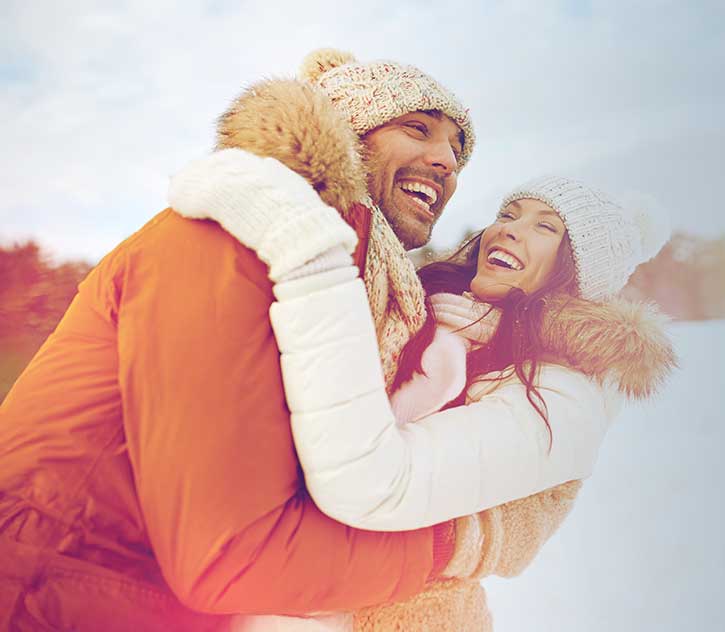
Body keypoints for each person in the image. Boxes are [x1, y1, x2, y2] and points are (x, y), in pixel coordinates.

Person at [0, 49, 502, 629]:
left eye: (459, 151)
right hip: (48, 592)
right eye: (419, 128)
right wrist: (458, 546)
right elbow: (228, 555)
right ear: (348, 129)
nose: (447, 162)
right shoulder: (235, 235)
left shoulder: (348, 289)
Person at [171, 167, 676, 630]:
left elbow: (377, 481)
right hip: (284, 596)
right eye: (508, 213)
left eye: (546, 227)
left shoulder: (564, 395)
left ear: (578, 273)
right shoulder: (428, 316)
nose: (509, 229)